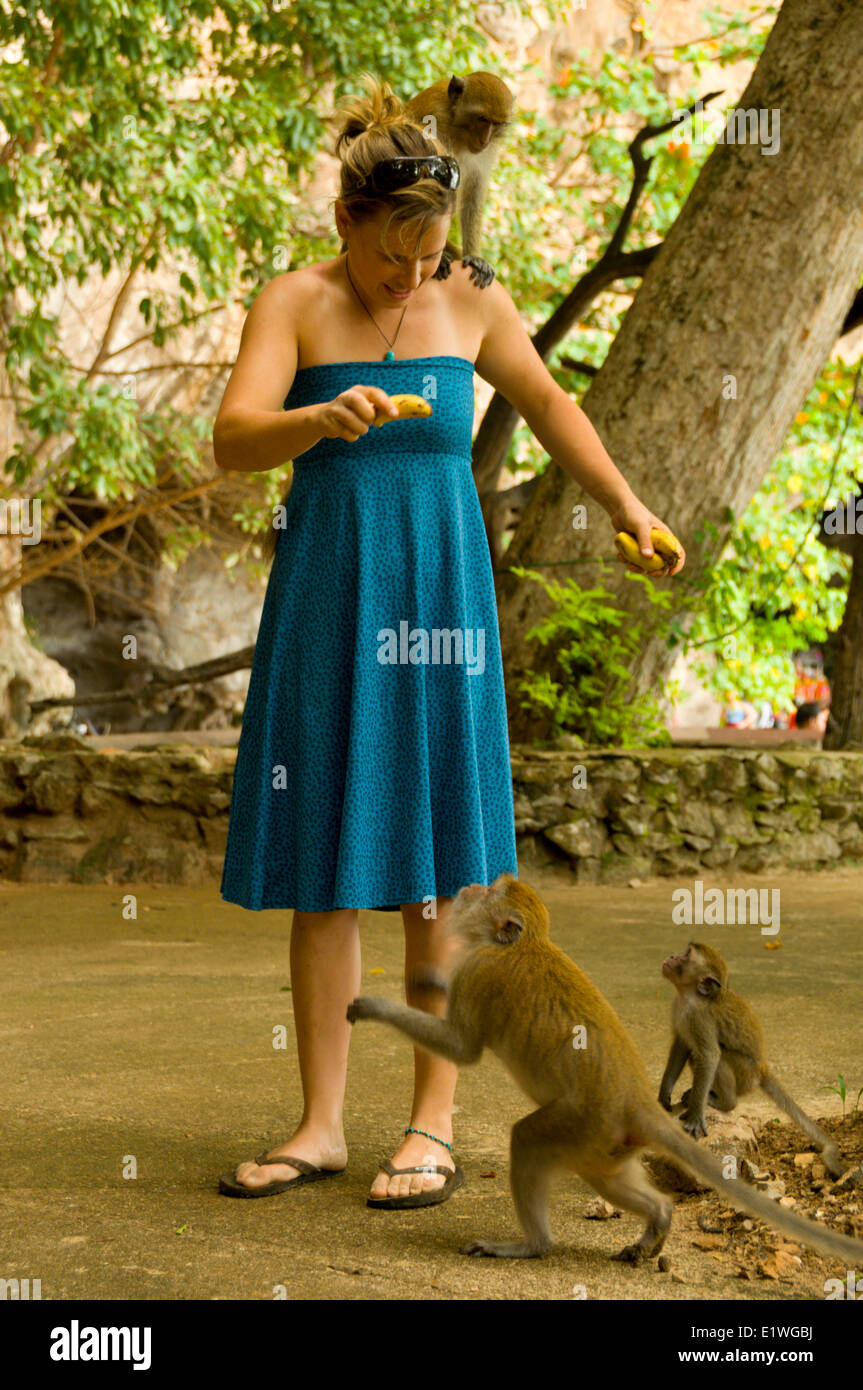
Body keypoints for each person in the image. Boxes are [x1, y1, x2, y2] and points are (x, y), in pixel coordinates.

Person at [213, 76, 685, 1210]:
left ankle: (431, 1122)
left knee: (434, 867)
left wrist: (624, 504)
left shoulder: (470, 297)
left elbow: (550, 401)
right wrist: (316, 421)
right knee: (324, 872)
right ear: (345, 222)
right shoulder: (295, 302)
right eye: (391, 257)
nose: (410, 277)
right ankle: (321, 1124)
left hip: (437, 596)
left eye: (429, 257)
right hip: (330, 590)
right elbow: (232, 439)